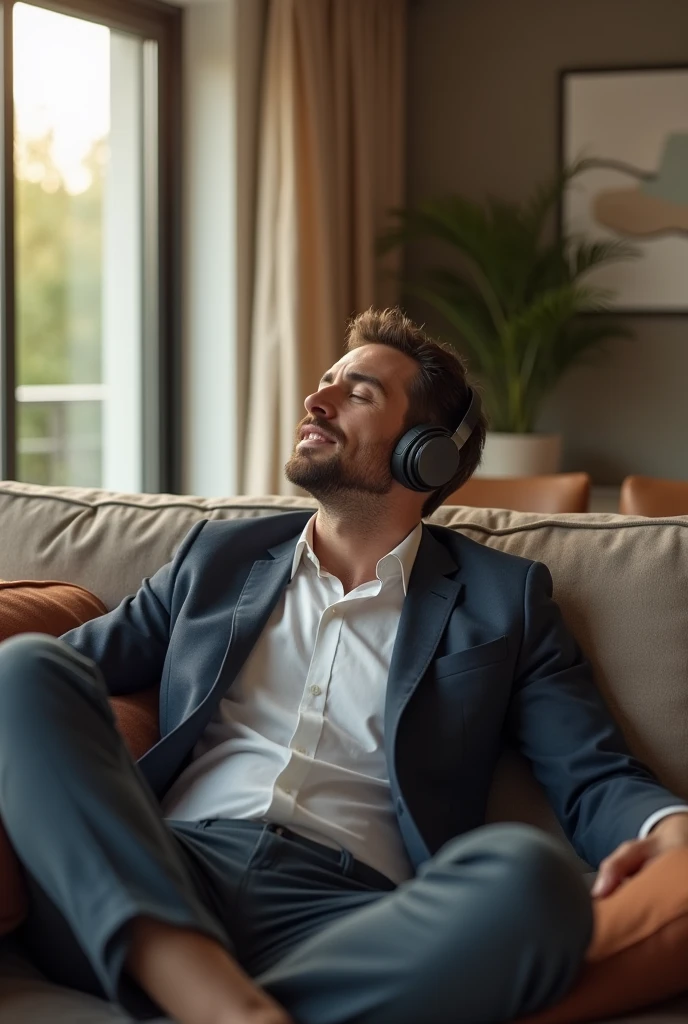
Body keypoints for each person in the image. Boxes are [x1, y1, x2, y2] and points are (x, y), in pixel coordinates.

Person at [0, 307, 686, 1024]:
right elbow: (59, 690)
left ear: (428, 455)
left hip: (345, 916)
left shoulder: (503, 601)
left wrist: (672, 831)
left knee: (529, 875)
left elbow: (592, 773)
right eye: (325, 381)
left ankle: (216, 1006)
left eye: (357, 393)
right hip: (155, 877)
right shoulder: (217, 557)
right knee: (27, 669)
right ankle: (210, 988)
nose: (314, 400)